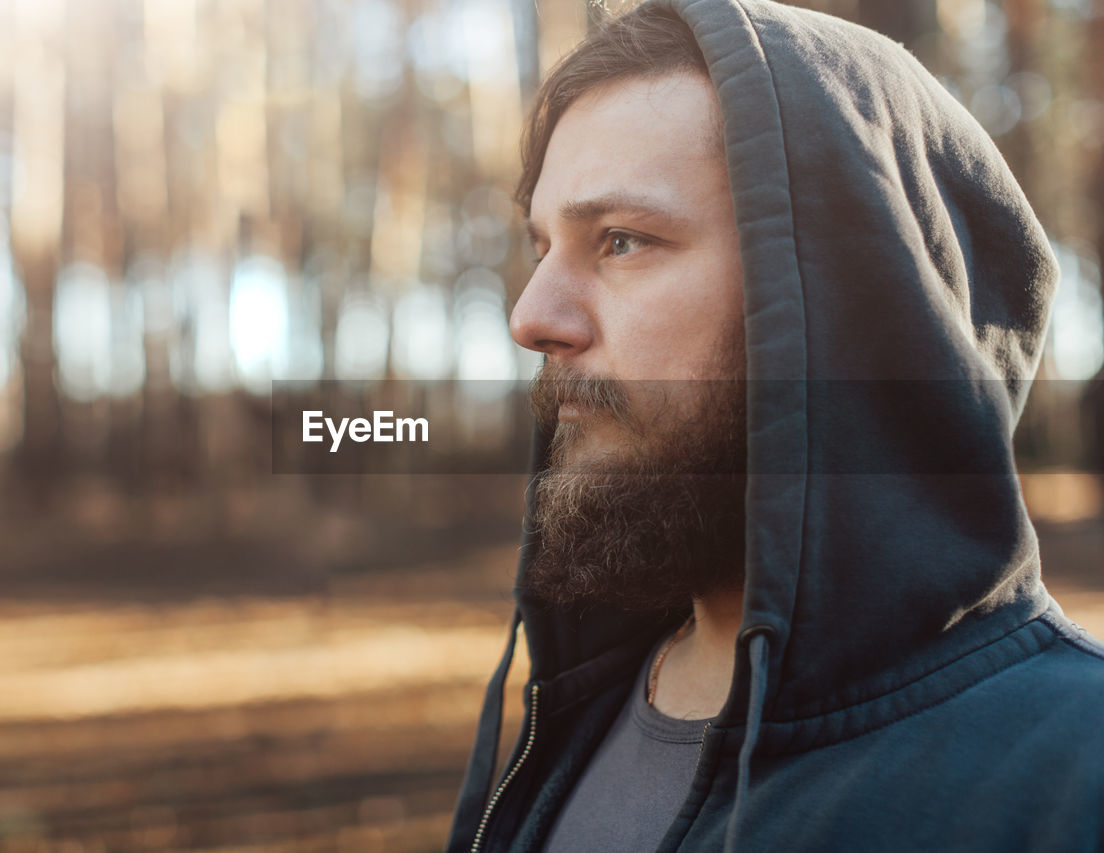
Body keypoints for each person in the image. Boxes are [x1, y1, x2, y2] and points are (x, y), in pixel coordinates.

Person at [446, 1, 1104, 851]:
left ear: (842, 302)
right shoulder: (581, 715)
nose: (531, 316)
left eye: (621, 241)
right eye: (542, 248)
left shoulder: (1072, 776)